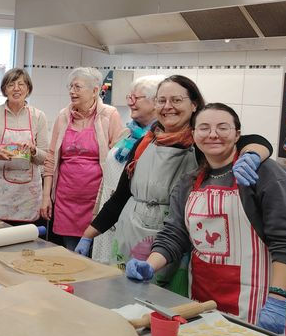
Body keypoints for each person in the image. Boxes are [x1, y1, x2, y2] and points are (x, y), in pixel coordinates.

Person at [78, 75, 271, 289]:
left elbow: (254, 140)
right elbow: (121, 196)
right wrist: (88, 235)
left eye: (177, 100)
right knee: (125, 298)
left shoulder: (203, 142)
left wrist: (252, 154)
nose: (168, 107)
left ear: (194, 104)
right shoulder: (144, 142)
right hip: (130, 237)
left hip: (177, 241)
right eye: (161, 101)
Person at [126, 103, 286, 336]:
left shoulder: (265, 174)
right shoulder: (189, 182)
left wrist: (278, 300)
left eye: (222, 128)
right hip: (202, 300)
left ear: (237, 134)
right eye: (204, 128)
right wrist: (150, 264)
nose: (212, 134)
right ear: (194, 134)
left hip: (258, 304)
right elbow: (175, 234)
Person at [40, 67, 123, 251]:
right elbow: (51, 158)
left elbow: (117, 160)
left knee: (96, 252)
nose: (72, 91)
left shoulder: (109, 115)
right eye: (70, 87)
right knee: (71, 253)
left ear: (95, 91)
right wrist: (46, 197)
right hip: (65, 200)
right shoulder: (63, 116)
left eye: (77, 87)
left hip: (96, 200)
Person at [91, 75, 165, 263]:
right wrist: (96, 212)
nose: (130, 103)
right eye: (129, 97)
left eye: (136, 98)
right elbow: (108, 175)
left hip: (133, 221)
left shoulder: (160, 140)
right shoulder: (127, 133)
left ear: (156, 102)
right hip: (108, 214)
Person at [0, 68, 49, 223]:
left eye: (21, 84)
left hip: (28, 194)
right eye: (11, 85)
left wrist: (33, 150)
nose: (16, 88)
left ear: (28, 88)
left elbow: (45, 157)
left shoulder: (38, 116)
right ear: (5, 89)